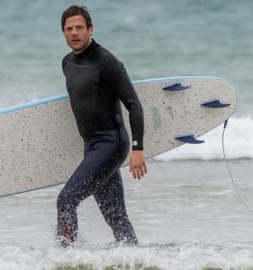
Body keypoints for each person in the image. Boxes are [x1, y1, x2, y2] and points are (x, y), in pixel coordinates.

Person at [57, 5, 147, 247]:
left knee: (66, 200)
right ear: (64, 33)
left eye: (79, 27)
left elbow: (134, 105)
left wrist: (138, 149)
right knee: (116, 217)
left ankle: (62, 255)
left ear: (90, 29)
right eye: (69, 29)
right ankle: (135, 258)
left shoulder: (106, 61)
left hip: (111, 143)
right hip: (92, 147)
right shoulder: (67, 63)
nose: (74, 33)